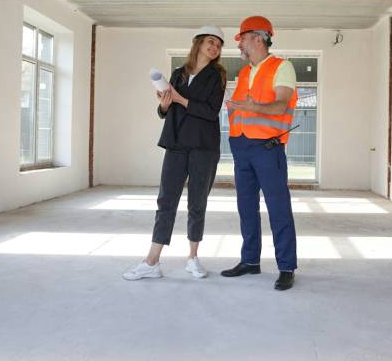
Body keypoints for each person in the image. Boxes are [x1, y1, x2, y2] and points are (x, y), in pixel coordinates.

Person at [123, 26, 226, 281]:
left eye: (219, 45)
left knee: (197, 203)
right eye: (210, 42)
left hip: (204, 147)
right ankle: (152, 261)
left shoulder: (218, 76)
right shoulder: (179, 74)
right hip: (176, 143)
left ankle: (192, 258)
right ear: (199, 44)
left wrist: (180, 99)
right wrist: (165, 104)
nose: (215, 47)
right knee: (166, 201)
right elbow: (166, 111)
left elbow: (211, 112)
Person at [222, 15, 298, 291]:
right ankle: (250, 260)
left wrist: (250, 107)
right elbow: (240, 106)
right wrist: (234, 108)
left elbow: (279, 106)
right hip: (242, 147)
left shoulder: (282, 67)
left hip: (267, 148)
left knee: (278, 207)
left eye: (241, 38)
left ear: (257, 37)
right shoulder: (243, 73)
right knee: (246, 208)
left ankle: (287, 267)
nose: (239, 45)